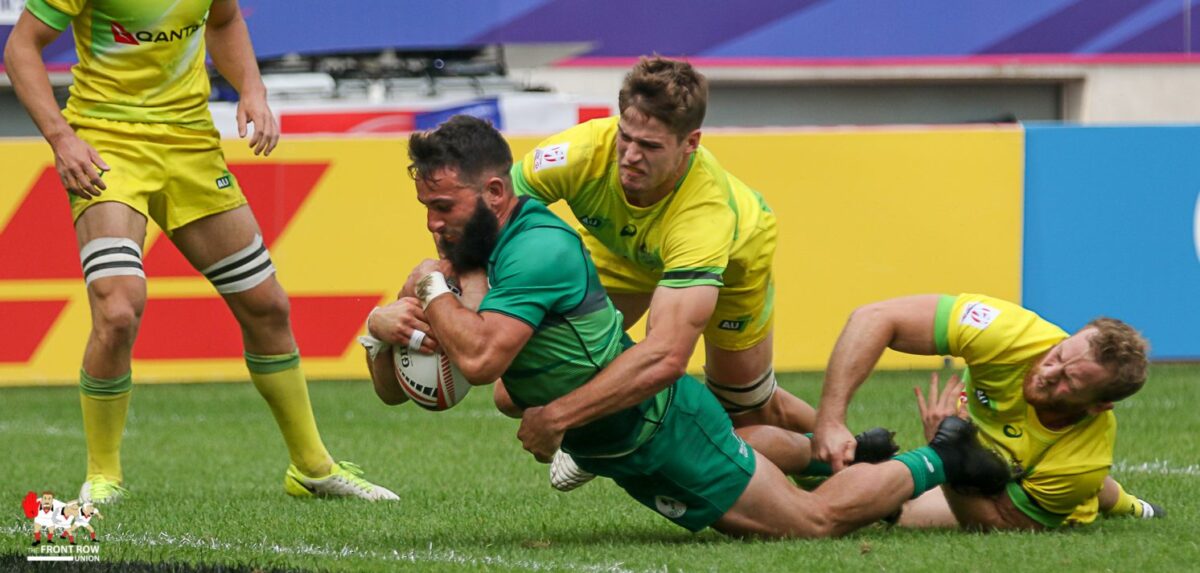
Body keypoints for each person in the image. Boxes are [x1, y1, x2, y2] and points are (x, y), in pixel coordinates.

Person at [368, 114, 1012, 538]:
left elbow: (477, 363)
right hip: (621, 446)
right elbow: (401, 391)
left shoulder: (537, 250)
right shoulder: (467, 249)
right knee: (519, 397)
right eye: (426, 208)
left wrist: (428, 289)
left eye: (443, 207)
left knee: (809, 524)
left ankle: (942, 454)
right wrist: (379, 331)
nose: (432, 223)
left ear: (496, 193)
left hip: (660, 426)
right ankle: (850, 454)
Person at [4, 0, 395, 503]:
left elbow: (226, 20)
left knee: (266, 305)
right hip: (107, 146)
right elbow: (20, 48)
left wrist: (253, 90)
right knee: (118, 308)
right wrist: (61, 138)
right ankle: (103, 476)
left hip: (190, 146)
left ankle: (312, 467)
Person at [810, 294, 1161, 529]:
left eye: (1068, 380)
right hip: (988, 448)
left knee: (903, 511)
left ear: (1097, 406)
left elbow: (998, 525)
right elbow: (874, 317)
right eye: (1058, 355)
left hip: (1019, 480)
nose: (1047, 373)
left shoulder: (1082, 461)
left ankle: (1131, 507)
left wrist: (944, 453)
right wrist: (830, 421)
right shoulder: (1011, 333)